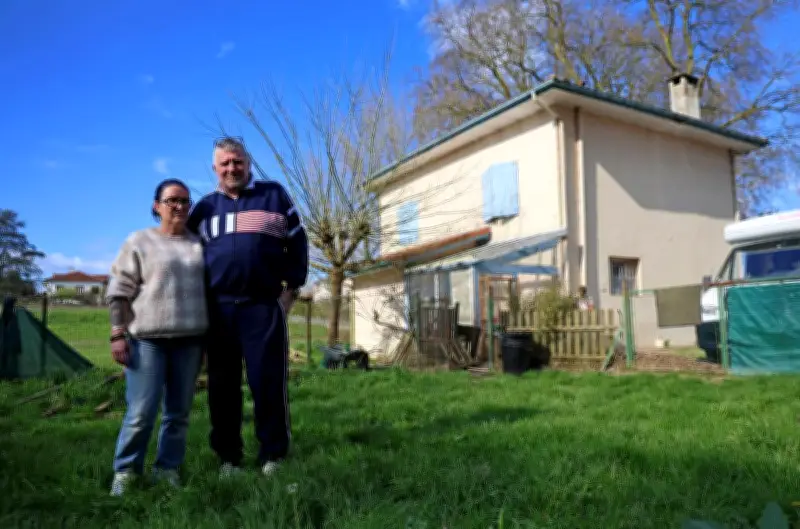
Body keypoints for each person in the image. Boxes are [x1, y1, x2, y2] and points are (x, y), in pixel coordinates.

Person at [187, 136, 309, 478]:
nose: (231, 168)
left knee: (267, 382)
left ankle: (274, 455)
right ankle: (229, 458)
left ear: (248, 163)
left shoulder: (274, 195)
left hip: (262, 307)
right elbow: (188, 258)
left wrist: (289, 292)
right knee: (222, 388)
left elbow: (298, 245)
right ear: (215, 168)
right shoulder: (205, 208)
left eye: (237, 161)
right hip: (218, 311)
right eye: (224, 163)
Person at [106, 178, 209, 496]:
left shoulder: (198, 244)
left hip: (190, 340)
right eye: (172, 200)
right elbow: (118, 292)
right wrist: (117, 334)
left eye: (185, 201)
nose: (179, 206)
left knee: (178, 413)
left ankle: (167, 469)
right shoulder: (139, 241)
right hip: (148, 340)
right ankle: (126, 470)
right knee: (141, 412)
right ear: (156, 205)